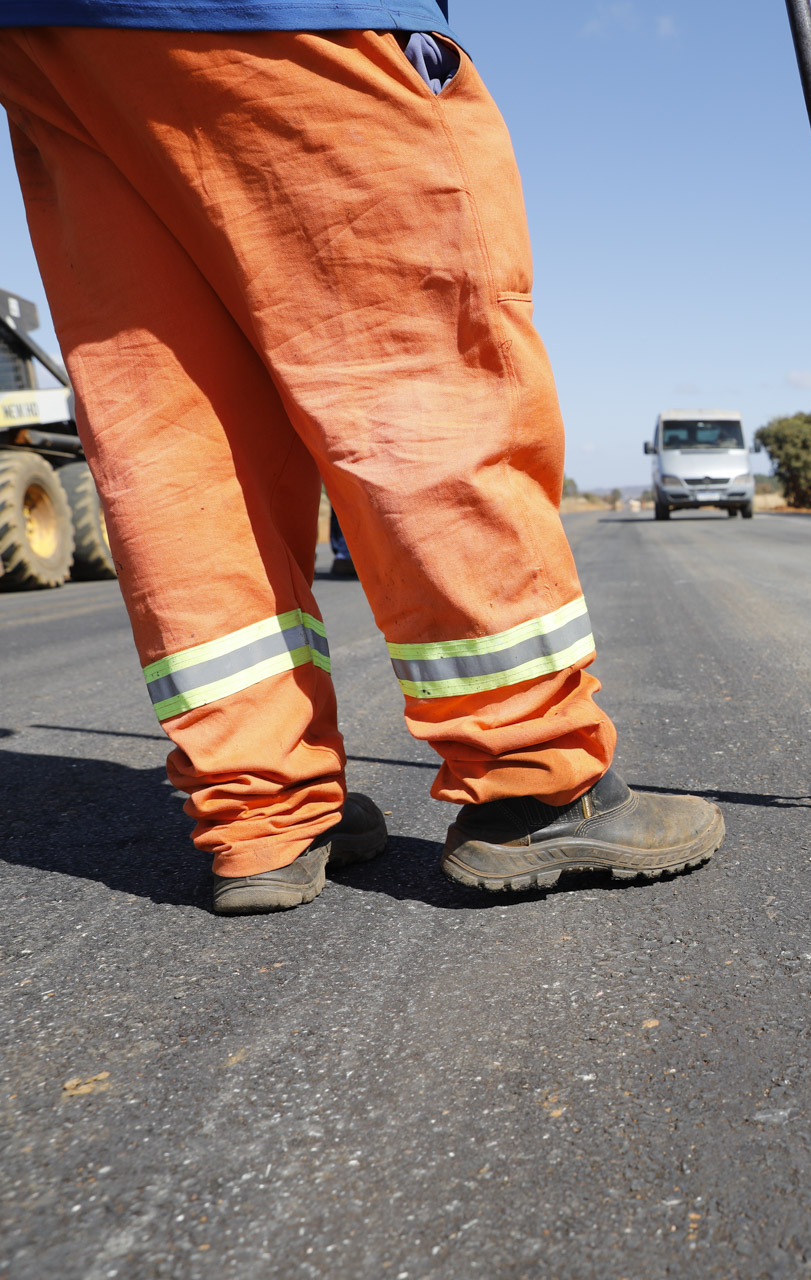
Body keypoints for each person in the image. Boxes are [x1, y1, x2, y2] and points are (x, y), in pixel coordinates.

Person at [0, 4, 725, 913]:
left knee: (180, 429)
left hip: (52, 40)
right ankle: (534, 783)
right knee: (416, 369)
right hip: (274, 22)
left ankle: (264, 810)